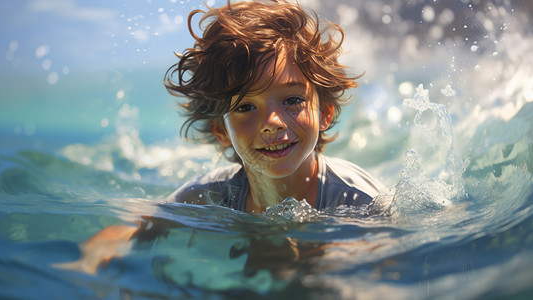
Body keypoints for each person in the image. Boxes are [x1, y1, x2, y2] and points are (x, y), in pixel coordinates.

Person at [55, 0, 387, 275]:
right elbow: (140, 226)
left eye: (291, 100)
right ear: (220, 130)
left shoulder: (360, 202)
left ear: (325, 112)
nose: (271, 122)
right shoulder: (211, 196)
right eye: (245, 107)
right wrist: (94, 258)